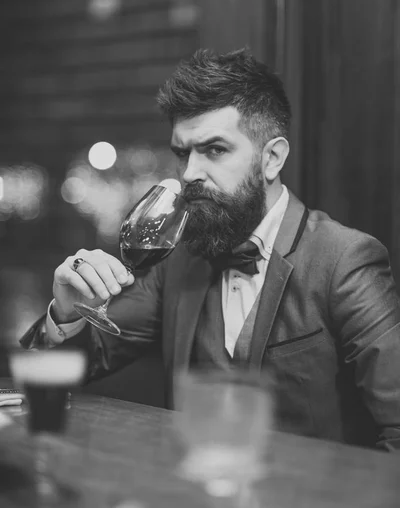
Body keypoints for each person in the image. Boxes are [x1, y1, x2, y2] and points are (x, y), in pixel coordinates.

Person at [21, 49, 400, 449]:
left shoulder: (345, 259)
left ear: (272, 158)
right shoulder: (178, 259)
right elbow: (70, 368)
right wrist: (66, 312)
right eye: (183, 153)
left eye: (215, 150)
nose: (189, 174)